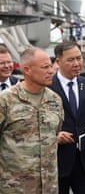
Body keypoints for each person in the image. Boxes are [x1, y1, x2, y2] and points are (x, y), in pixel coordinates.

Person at [0, 48, 64, 193]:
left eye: (50, 66)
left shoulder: (55, 100)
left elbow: (54, 134)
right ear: (27, 70)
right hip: (15, 189)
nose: (51, 71)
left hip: (48, 188)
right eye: (45, 67)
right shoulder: (6, 100)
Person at [49, 41, 85, 194]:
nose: (77, 63)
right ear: (58, 62)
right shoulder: (47, 87)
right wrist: (55, 136)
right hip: (57, 163)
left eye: (79, 58)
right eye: (71, 60)